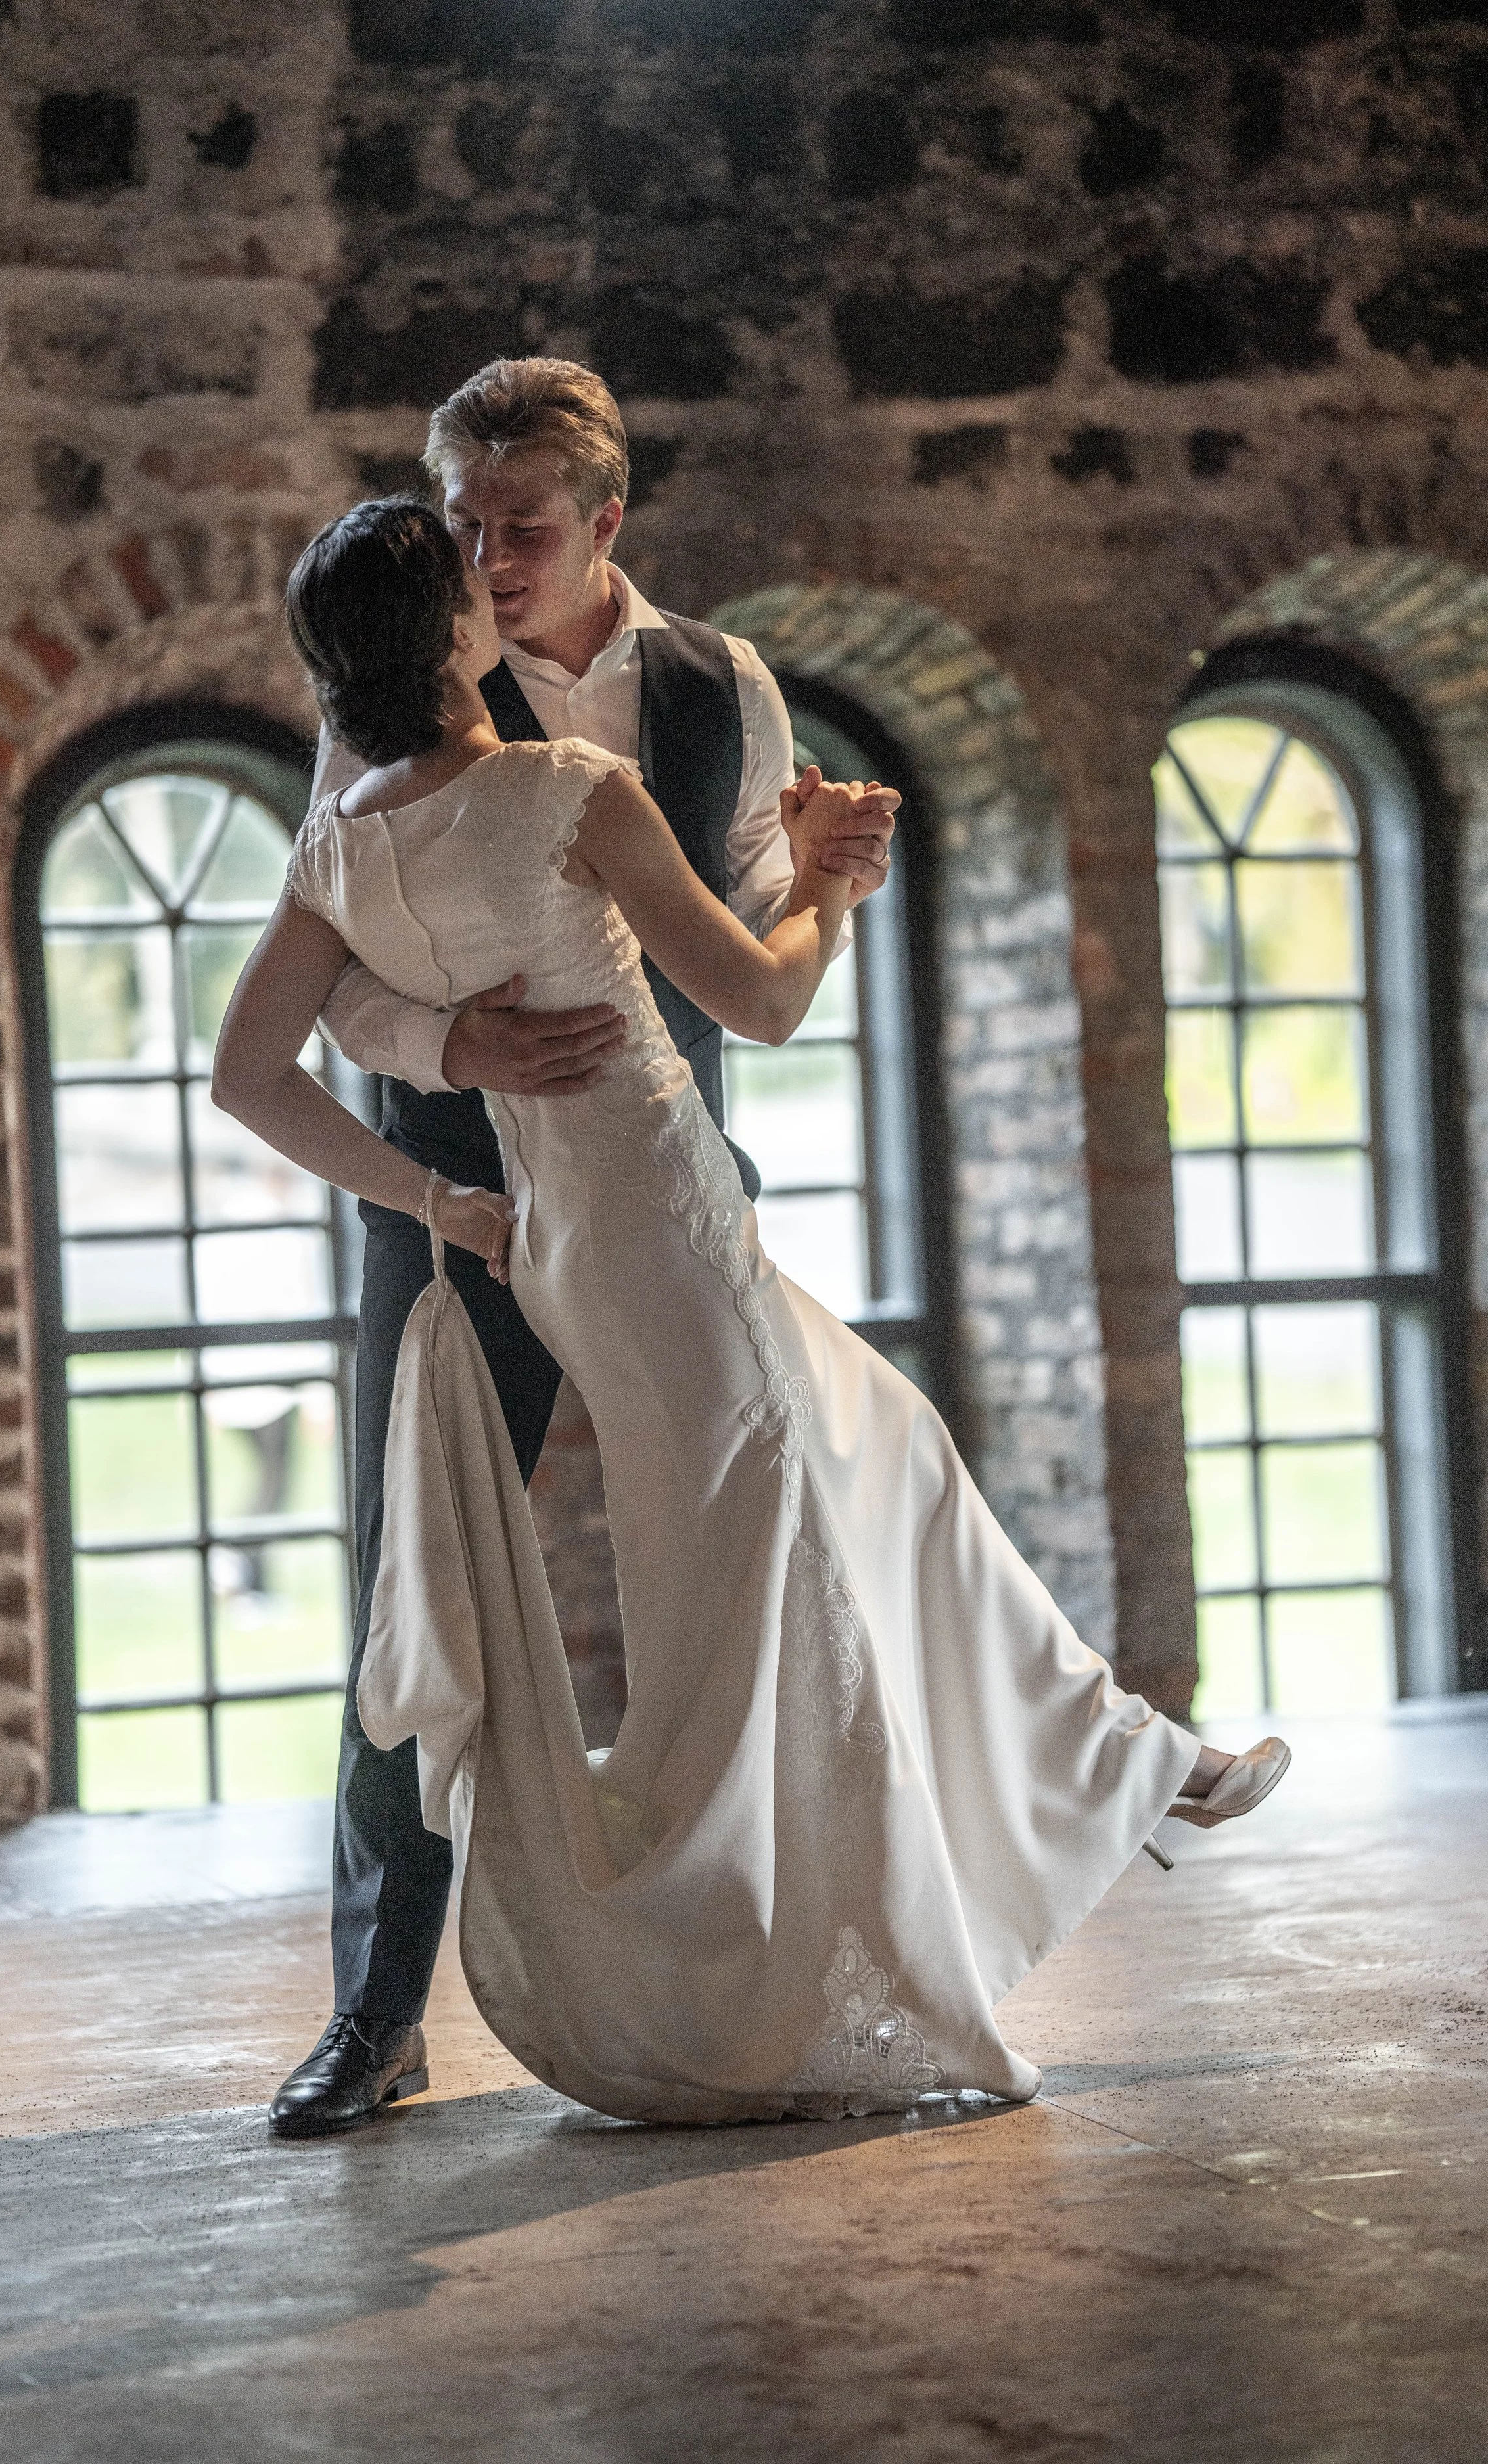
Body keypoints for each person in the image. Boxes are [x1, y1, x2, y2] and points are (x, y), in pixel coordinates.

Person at [214, 494, 1291, 2128]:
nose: (494, 565)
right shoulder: (568, 788)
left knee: (887, 1457)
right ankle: (753, 1980)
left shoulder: (336, 843)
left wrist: (434, 1199)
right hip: (659, 1234)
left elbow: (244, 1076)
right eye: (466, 558)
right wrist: (838, 882)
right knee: (762, 1598)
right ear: (451, 637)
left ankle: (1124, 1762)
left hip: (547, 1233)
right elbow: (766, 998)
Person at [265, 359, 901, 2135]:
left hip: (642, 1175)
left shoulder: (718, 686)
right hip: (452, 1196)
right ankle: (375, 2012)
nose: (480, 554)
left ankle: (750, 1958)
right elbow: (337, 974)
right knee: (421, 1567)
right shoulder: (382, 695)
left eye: (517, 526)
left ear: (606, 524)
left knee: (749, 1546)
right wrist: (449, 1050)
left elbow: (755, 932)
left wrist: (827, 862)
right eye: (459, 520)